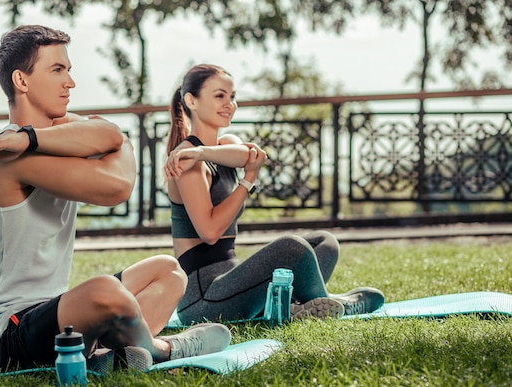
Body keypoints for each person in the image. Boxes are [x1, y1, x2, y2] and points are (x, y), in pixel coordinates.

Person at [0, 26, 231, 374]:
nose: (70, 83)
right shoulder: (4, 159)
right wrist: (122, 146)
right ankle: (161, 350)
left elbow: (110, 133)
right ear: (21, 81)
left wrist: (31, 137)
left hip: (56, 313)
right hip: (5, 340)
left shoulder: (43, 139)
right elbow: (117, 186)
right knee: (104, 292)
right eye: (57, 70)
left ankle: (108, 358)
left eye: (68, 70)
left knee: (169, 271)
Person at [164, 64, 385, 326]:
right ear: (191, 101)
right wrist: (247, 181)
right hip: (203, 301)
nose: (230, 104)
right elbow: (209, 232)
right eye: (219, 96)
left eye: (232, 96)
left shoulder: (219, 147)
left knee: (324, 242)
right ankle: (334, 305)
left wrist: (202, 152)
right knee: (293, 247)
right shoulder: (185, 162)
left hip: (232, 284)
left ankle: (298, 307)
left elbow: (251, 155)